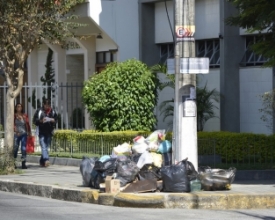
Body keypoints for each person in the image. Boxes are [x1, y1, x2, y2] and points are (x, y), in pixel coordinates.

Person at [33, 99, 58, 167]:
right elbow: (34, 121)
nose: (47, 107)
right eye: (46, 105)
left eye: (48, 105)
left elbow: (56, 119)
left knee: (46, 147)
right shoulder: (39, 111)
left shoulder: (52, 111)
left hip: (49, 131)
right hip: (41, 131)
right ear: (43, 104)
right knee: (43, 146)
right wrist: (41, 121)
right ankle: (46, 160)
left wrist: (53, 120)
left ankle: (42, 161)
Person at [14, 103, 31, 169]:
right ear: (15, 108)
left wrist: (29, 132)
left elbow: (27, 124)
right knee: (15, 148)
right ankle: (13, 163)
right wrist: (16, 131)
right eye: (18, 107)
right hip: (17, 134)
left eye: (20, 107)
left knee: (23, 149)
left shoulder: (24, 115)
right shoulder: (14, 115)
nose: (19, 108)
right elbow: (13, 124)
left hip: (24, 134)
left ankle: (23, 163)